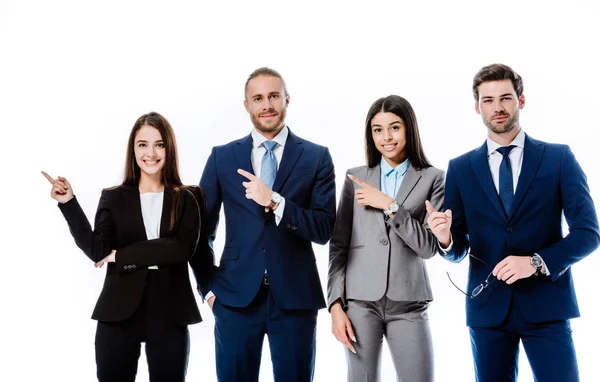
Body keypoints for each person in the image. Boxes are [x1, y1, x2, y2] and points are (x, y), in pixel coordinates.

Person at [439, 63, 600, 381]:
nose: (497, 108)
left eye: (505, 98)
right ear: (477, 107)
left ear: (521, 101)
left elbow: (588, 233)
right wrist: (445, 239)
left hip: (547, 306)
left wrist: (537, 262)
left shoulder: (558, 158)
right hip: (488, 310)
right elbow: (458, 249)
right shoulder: (460, 169)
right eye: (488, 100)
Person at [43, 112, 206, 382]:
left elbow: (181, 249)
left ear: (169, 148)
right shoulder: (114, 197)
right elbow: (98, 251)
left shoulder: (188, 197)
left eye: (159, 144)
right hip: (118, 309)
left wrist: (122, 255)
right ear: (133, 149)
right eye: (143, 144)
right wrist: (69, 203)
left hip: (170, 310)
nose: (150, 153)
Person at [195, 67, 336, 382]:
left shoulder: (316, 157)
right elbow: (200, 233)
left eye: (273, 96)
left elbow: (324, 229)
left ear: (287, 99)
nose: (267, 105)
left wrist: (275, 201)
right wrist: (209, 291)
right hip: (233, 300)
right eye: (258, 98)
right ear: (247, 105)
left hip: (295, 299)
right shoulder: (222, 158)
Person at [327, 95, 449, 382]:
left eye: (394, 127)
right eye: (377, 130)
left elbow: (429, 247)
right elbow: (338, 247)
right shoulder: (355, 177)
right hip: (359, 303)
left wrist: (390, 206)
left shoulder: (434, 178)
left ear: (409, 128)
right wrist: (335, 305)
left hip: (409, 301)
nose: (386, 137)